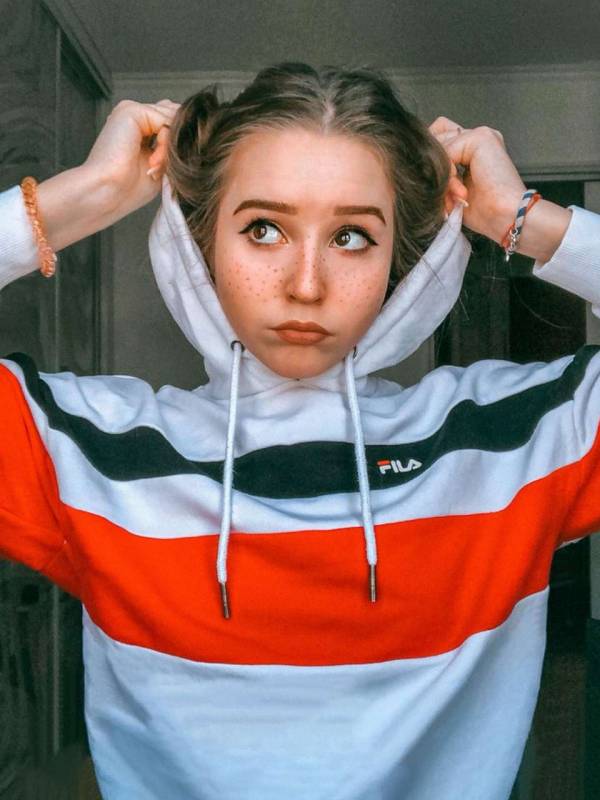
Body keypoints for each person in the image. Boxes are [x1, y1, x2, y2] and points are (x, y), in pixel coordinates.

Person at [1, 62, 599, 800]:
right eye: (263, 230)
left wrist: (523, 218)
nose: (306, 284)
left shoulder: (515, 441)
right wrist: (79, 199)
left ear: (401, 258)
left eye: (351, 236)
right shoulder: (86, 450)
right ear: (198, 240)